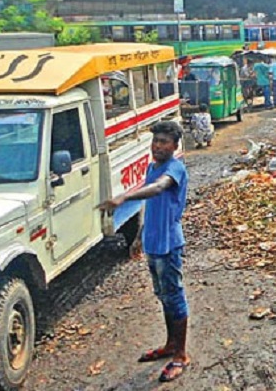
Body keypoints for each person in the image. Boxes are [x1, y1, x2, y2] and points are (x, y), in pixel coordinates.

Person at [97, 122, 190, 383]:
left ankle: (181, 355)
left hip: (169, 244)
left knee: (175, 297)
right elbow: (152, 204)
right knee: (163, 296)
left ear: (175, 146)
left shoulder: (174, 169)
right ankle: (170, 344)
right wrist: (140, 235)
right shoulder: (152, 168)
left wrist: (125, 197)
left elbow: (160, 188)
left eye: (164, 142)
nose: (158, 146)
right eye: (155, 141)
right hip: (152, 242)